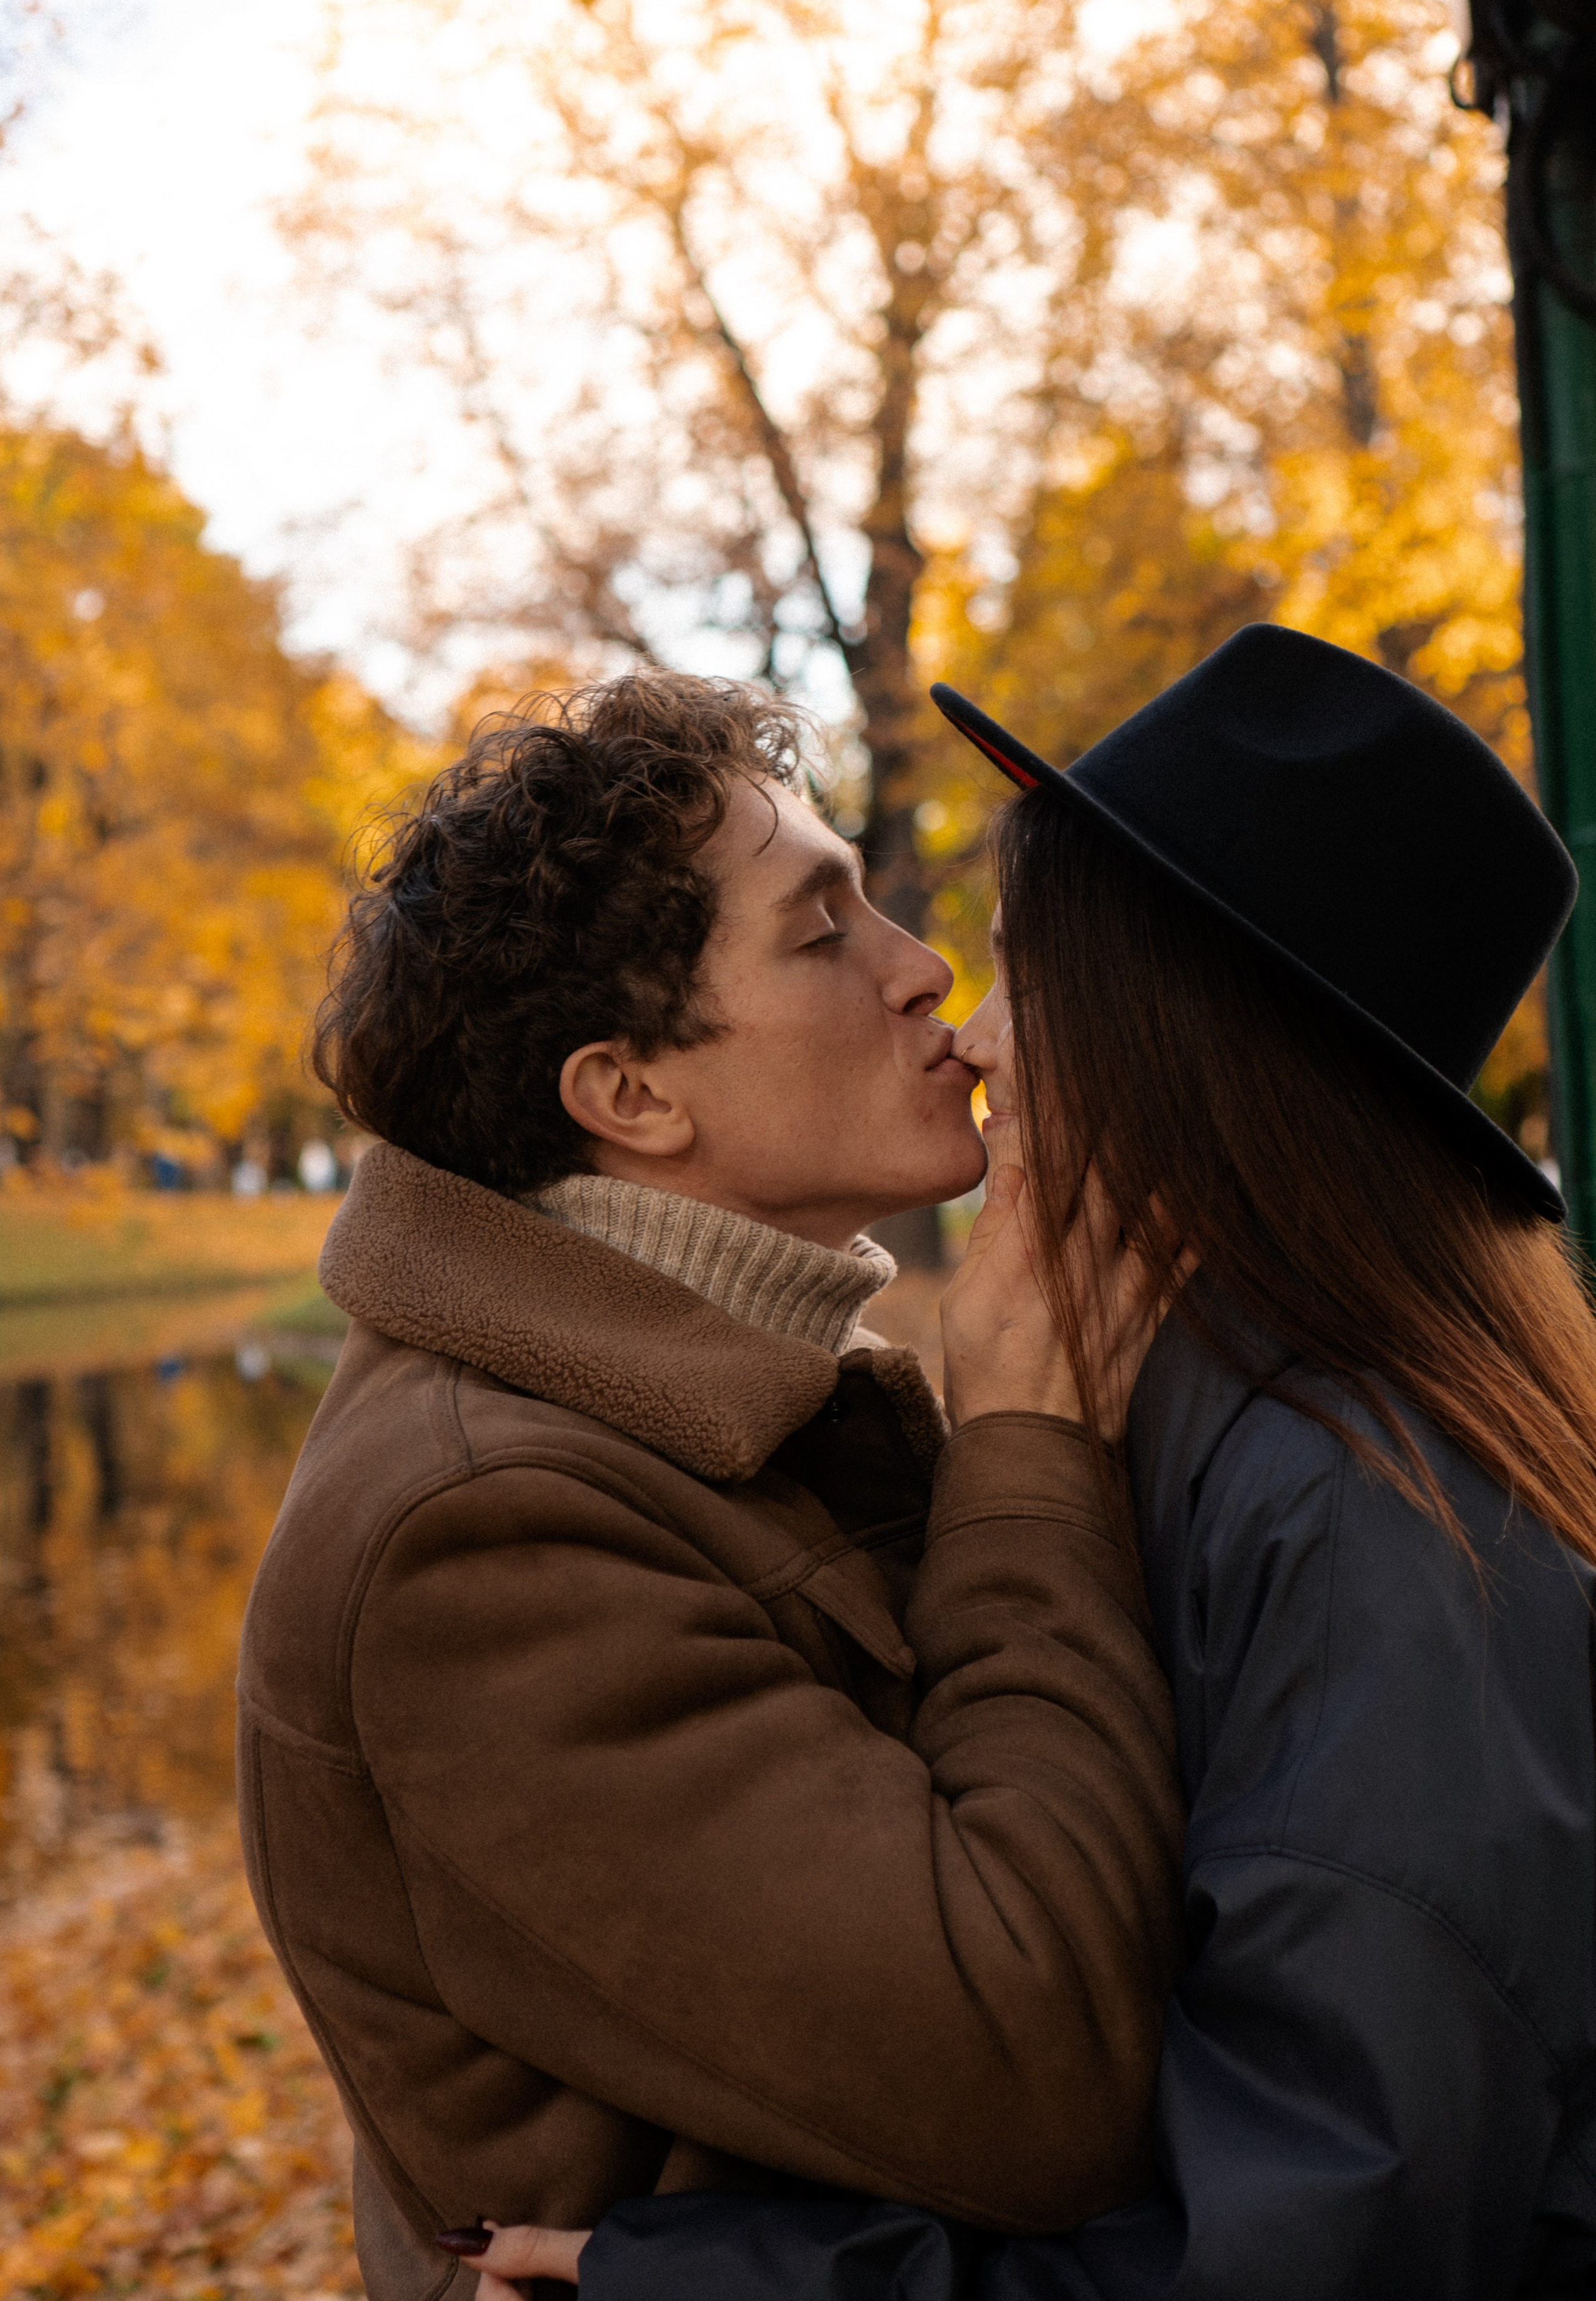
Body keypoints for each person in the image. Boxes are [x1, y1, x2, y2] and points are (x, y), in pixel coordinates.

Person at [474, 625, 1596, 2300]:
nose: (973, 1029)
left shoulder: (1365, 1519)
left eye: (1022, 970)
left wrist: (704, 2282)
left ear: (1175, 1035)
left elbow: (1319, 2249)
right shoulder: (1218, 1417)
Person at [236, 671, 1187, 2301]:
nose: (925, 972)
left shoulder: (711, 1407)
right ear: (631, 1096)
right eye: (825, 934)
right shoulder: (479, 1539)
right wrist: (1030, 1450)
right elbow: (1029, 2067)